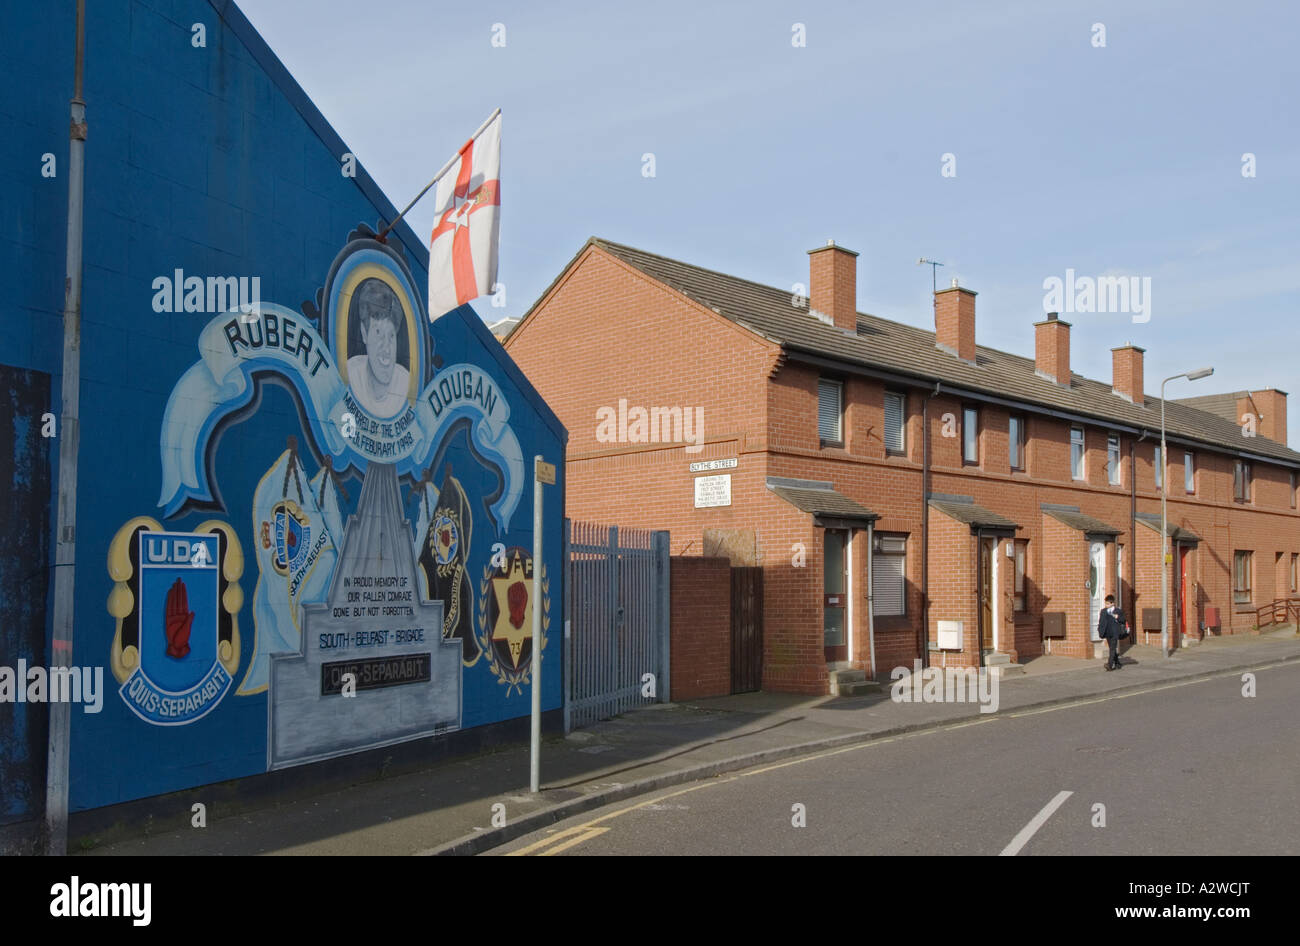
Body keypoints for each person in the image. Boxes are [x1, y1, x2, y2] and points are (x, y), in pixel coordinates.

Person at [345, 280, 410, 418]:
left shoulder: (405, 384)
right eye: (378, 332)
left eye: (391, 335)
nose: (386, 347)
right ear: (364, 333)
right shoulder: (351, 374)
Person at [1097, 593, 1129, 671]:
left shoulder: (1118, 611)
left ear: (1112, 603)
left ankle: (1109, 665)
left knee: (1112, 648)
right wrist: (1100, 630)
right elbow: (1101, 622)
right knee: (1112, 648)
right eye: (1106, 603)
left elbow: (1123, 620)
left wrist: (1117, 617)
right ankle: (1117, 662)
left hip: (1115, 632)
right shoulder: (1103, 611)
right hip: (1107, 632)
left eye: (1108, 603)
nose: (1106, 605)